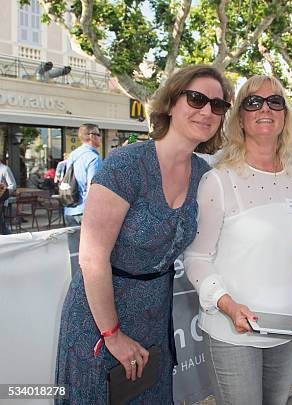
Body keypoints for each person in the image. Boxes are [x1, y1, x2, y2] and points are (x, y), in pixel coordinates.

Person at [55, 65, 232, 403]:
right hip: (100, 317)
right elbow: (92, 258)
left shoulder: (203, 174)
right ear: (170, 103)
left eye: (218, 105)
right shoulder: (126, 164)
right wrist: (112, 334)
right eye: (196, 99)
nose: (207, 111)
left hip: (154, 319)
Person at [184, 75, 292, 404]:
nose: (265, 109)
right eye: (253, 102)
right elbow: (196, 258)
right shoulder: (219, 179)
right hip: (234, 331)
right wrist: (228, 305)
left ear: (285, 115)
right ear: (240, 117)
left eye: (275, 102)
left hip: (287, 327)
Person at [62, 124, 103, 226]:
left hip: (70, 209)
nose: (100, 137)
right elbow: (93, 188)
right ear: (91, 136)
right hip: (85, 211)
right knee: (92, 242)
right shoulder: (93, 158)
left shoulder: (73, 155)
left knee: (73, 242)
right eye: (98, 134)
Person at [0, 159, 17, 234]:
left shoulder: (5, 169)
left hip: (1, 202)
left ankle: (12, 241)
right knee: (2, 225)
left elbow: (12, 185)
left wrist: (2, 195)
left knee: (2, 225)